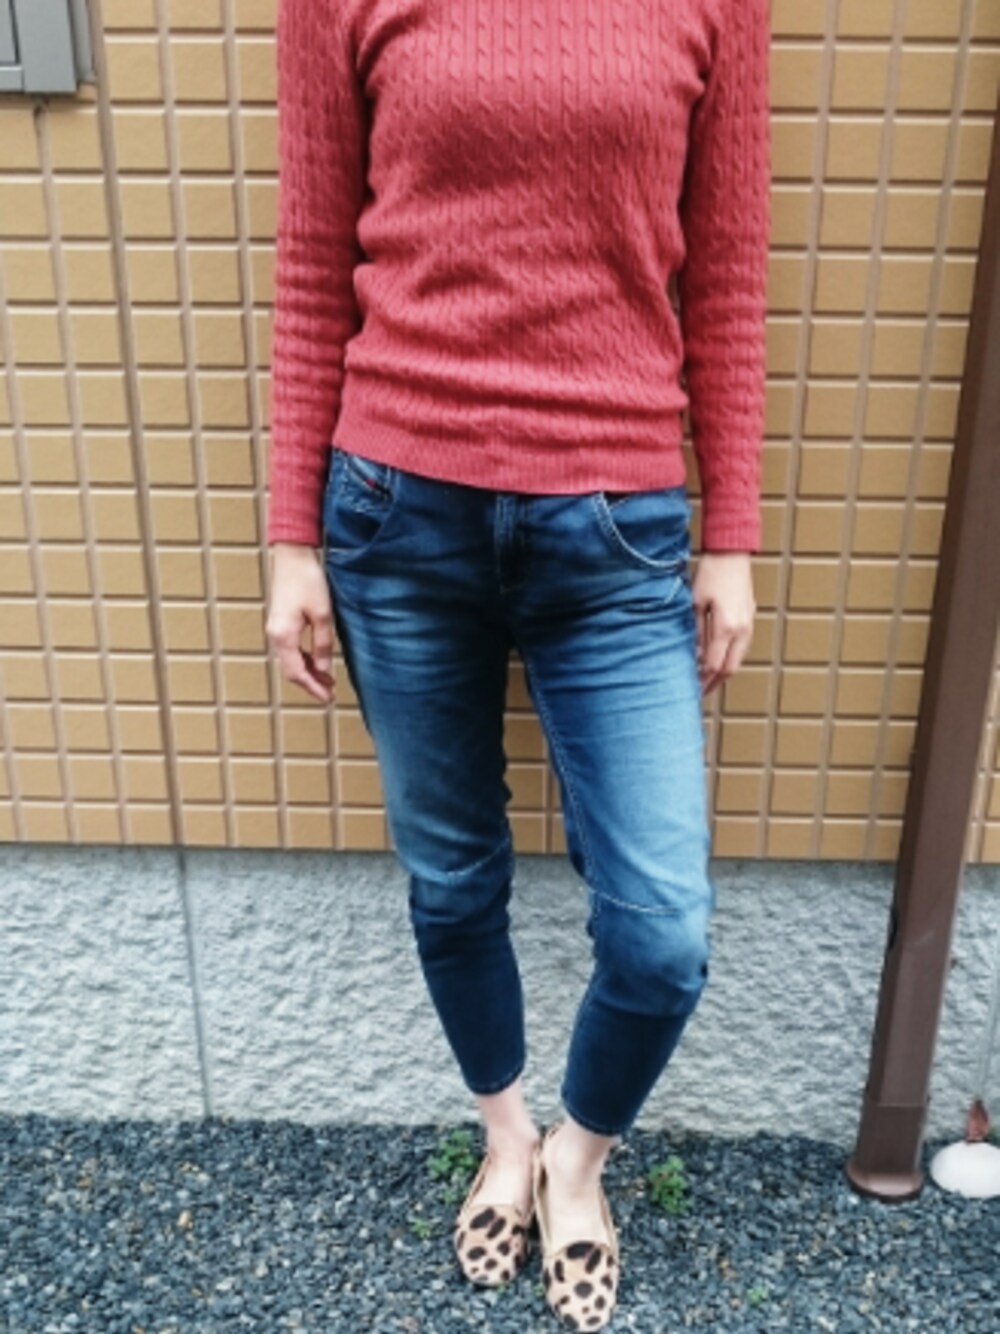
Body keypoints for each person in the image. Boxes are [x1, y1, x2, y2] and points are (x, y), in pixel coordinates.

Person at [265, 0, 770, 1327]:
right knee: (451, 875)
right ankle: (504, 1135)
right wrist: (290, 539)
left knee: (661, 932)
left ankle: (576, 1158)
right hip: (395, 511)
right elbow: (314, 257)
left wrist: (733, 535)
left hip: (615, 526)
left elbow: (727, 266)